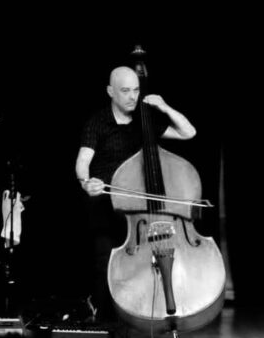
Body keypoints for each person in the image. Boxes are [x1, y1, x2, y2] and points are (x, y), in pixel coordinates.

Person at [75, 66, 196, 322]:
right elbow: (82, 162)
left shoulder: (146, 122)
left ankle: (143, 322)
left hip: (141, 209)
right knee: (105, 265)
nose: (132, 96)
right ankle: (105, 325)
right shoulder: (98, 122)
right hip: (107, 204)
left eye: (136, 90)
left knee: (142, 266)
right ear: (110, 91)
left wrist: (164, 107)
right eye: (125, 90)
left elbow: (189, 132)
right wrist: (87, 182)